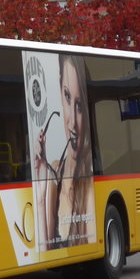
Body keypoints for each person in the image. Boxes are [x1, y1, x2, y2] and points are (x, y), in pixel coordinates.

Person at [33, 54, 95, 249]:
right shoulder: (54, 172)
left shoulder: (90, 184)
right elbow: (45, 251)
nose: (73, 123)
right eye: (67, 97)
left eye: (80, 105)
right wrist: (41, 192)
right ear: (60, 92)